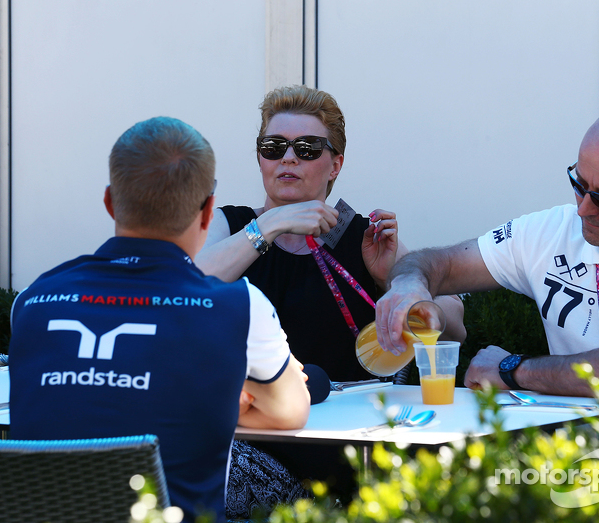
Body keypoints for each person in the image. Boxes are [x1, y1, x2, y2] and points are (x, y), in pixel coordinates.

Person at [8, 116, 310, 522]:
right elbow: (290, 411)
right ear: (206, 213)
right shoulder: (241, 306)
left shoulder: (32, 302)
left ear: (110, 202)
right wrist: (204, 400)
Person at [194, 85, 465, 516]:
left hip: (354, 448)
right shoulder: (234, 226)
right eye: (273, 146)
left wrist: (395, 286)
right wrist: (269, 226)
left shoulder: (360, 237)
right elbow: (183, 290)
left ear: (335, 163)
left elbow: (455, 319)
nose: (287, 158)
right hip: (259, 448)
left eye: (306, 148)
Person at [376, 101, 599, 396]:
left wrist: (514, 370)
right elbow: (440, 264)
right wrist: (409, 282)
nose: (584, 209)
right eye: (579, 184)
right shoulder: (551, 230)